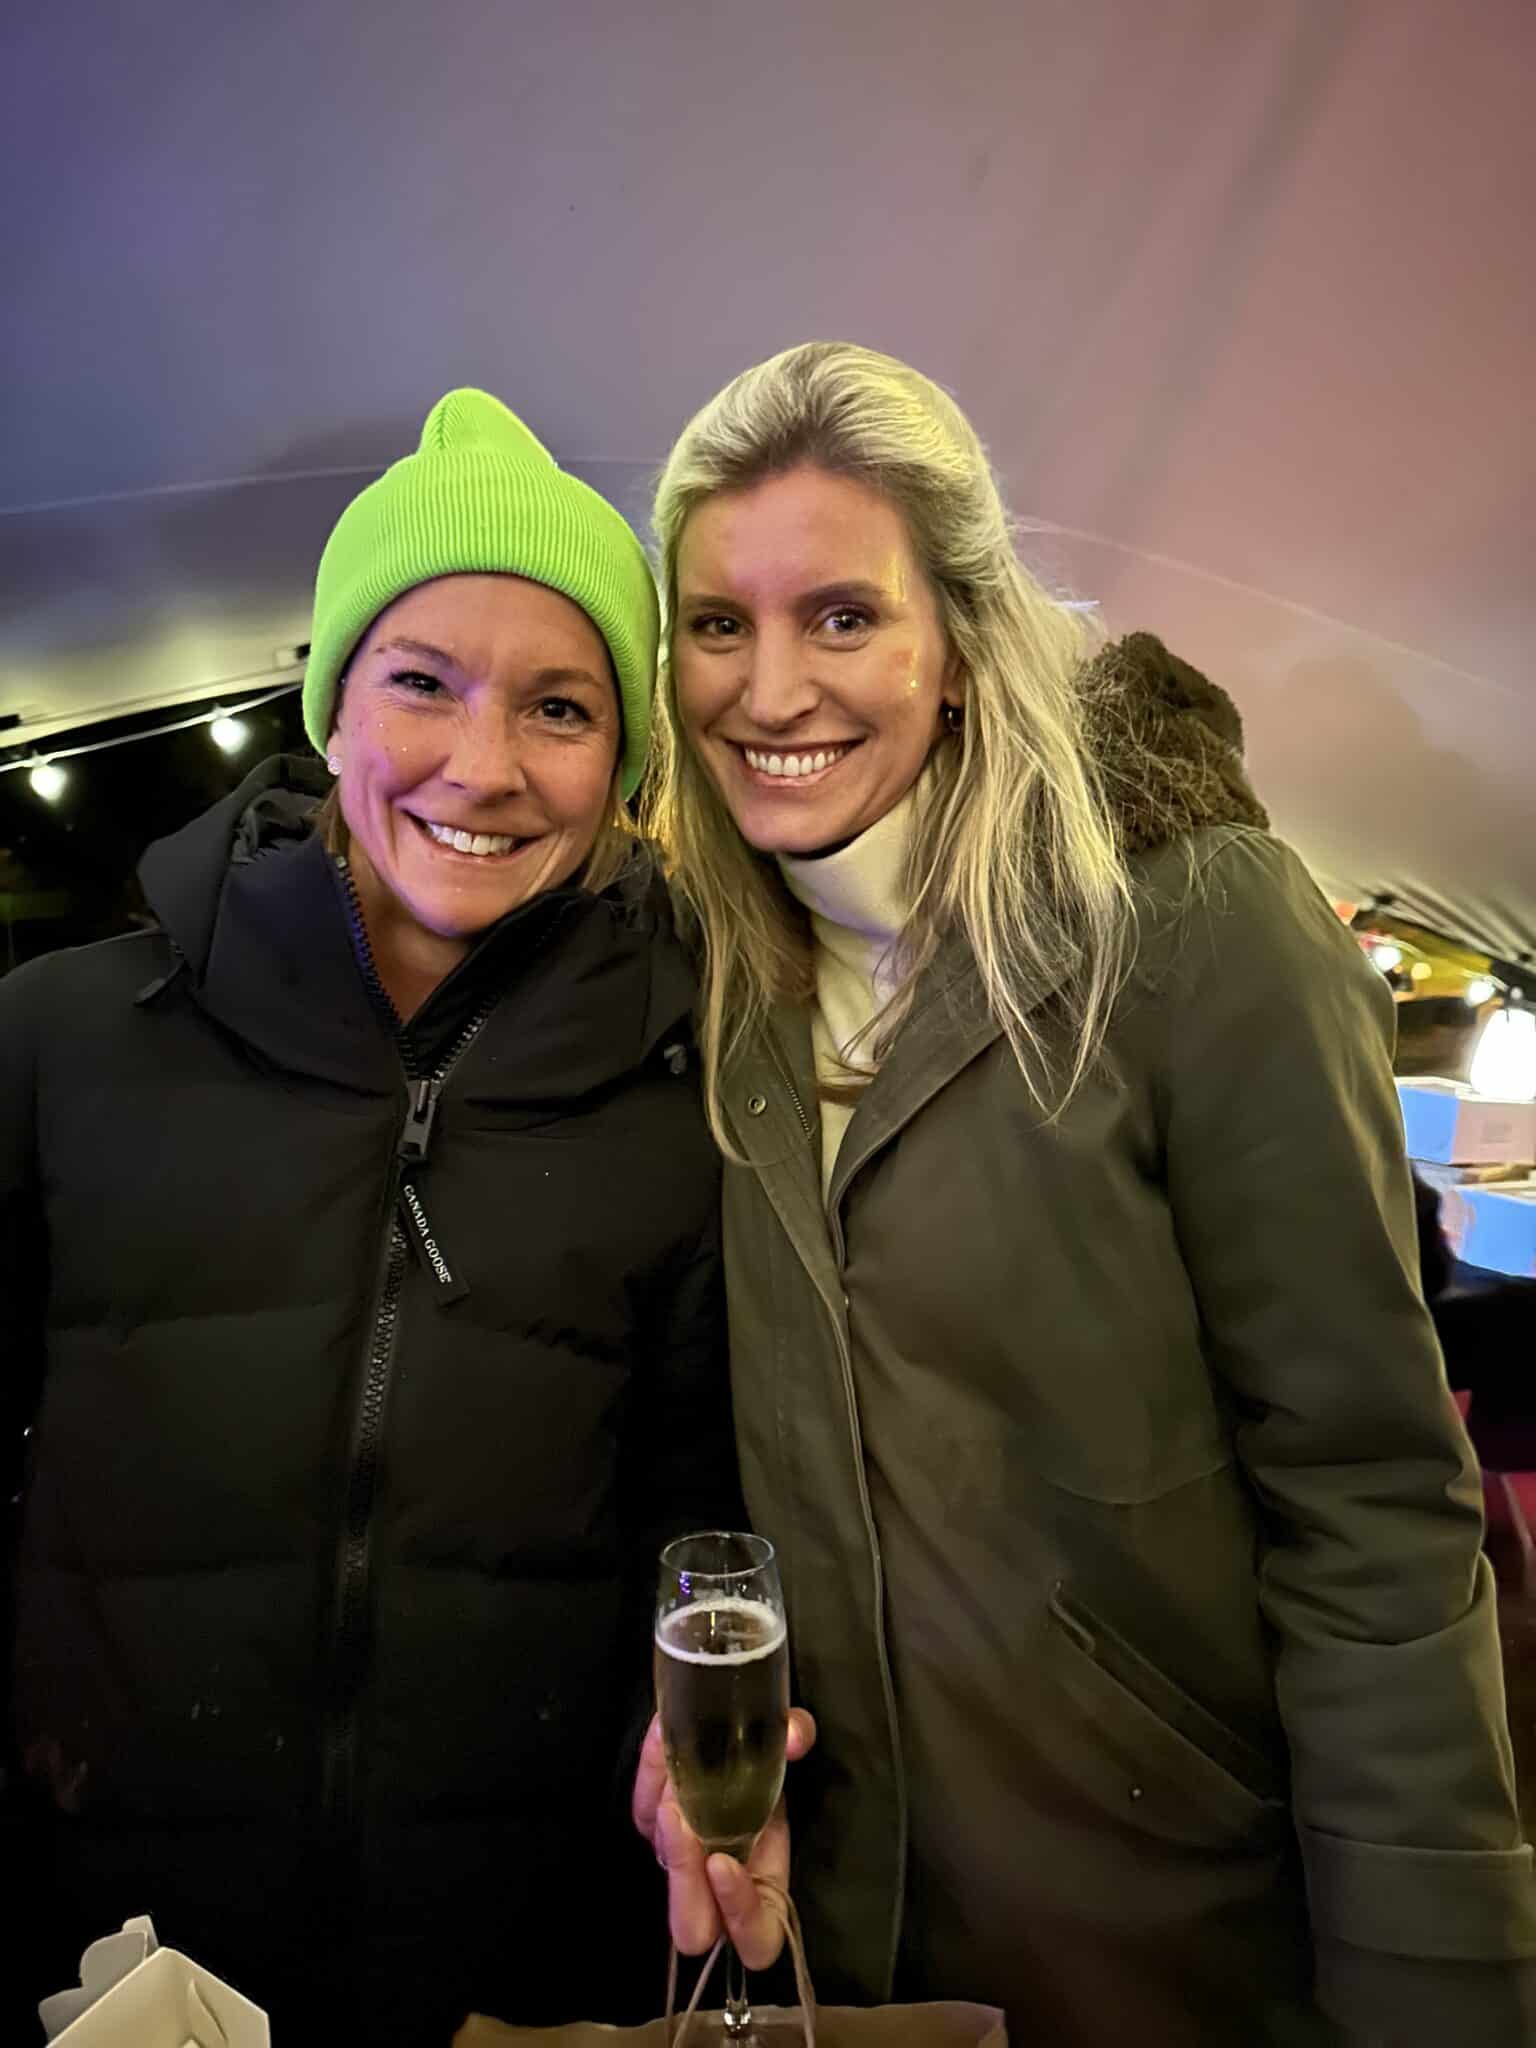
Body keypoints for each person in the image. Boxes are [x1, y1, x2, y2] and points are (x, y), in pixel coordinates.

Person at [635, 343, 1536, 2045]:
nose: (770, 688)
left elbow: (1369, 1506)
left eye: (843, 616)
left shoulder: (1195, 930)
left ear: (962, 639)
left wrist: (1441, 1989)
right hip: (855, 1944)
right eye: (716, 624)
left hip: (1170, 1944)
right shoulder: (727, 985)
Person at [1, 389, 735, 2045]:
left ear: (623, 764)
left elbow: (691, 1519)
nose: (484, 765)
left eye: (560, 707)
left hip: (513, 1972)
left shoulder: (679, 1099)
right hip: (110, 1945)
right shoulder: (60, 1042)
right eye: (421, 682)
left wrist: (687, 1759)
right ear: (332, 707)